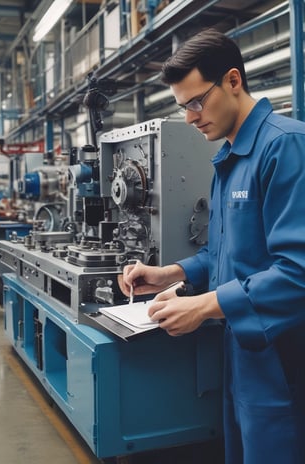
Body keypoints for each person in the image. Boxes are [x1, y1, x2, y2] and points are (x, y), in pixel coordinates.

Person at [120, 29, 305, 464]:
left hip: (282, 358)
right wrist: (173, 274)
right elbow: (225, 254)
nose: (189, 117)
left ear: (234, 81)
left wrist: (202, 307)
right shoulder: (229, 158)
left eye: (197, 102)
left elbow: (297, 270)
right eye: (183, 106)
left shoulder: (284, 146)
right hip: (242, 351)